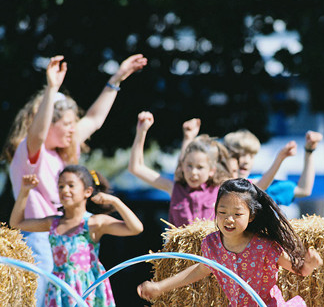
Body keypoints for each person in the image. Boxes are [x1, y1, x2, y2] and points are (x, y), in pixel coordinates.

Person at [1, 54, 147, 305]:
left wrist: (116, 79)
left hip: (67, 236)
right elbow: (37, 132)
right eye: (67, 124)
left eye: (73, 124)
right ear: (49, 125)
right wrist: (52, 89)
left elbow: (94, 119)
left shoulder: (63, 157)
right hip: (40, 237)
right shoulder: (32, 153)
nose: (73, 129)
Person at [136, 178, 323, 306]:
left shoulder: (265, 246)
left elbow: (300, 271)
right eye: (222, 212)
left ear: (252, 216)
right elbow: (201, 269)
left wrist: (309, 264)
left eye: (237, 214)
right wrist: (160, 286)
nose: (229, 219)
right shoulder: (212, 245)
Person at [9, 165, 144, 307]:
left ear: (88, 192)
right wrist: (24, 191)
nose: (65, 190)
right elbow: (17, 223)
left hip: (87, 288)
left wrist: (115, 201)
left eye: (71, 186)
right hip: (59, 289)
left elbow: (136, 228)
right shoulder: (53, 223)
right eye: (61, 186)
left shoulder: (93, 223)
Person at [128, 111, 231, 227]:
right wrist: (141, 131)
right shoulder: (174, 188)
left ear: (212, 170)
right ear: (182, 166)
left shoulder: (220, 191)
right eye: (189, 166)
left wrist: (189, 137)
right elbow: (135, 167)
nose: (193, 172)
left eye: (200, 167)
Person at [223, 129, 323, 206]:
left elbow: (303, 190)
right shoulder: (216, 185)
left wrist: (309, 151)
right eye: (241, 155)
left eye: (251, 156)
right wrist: (279, 158)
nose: (246, 161)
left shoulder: (268, 186)